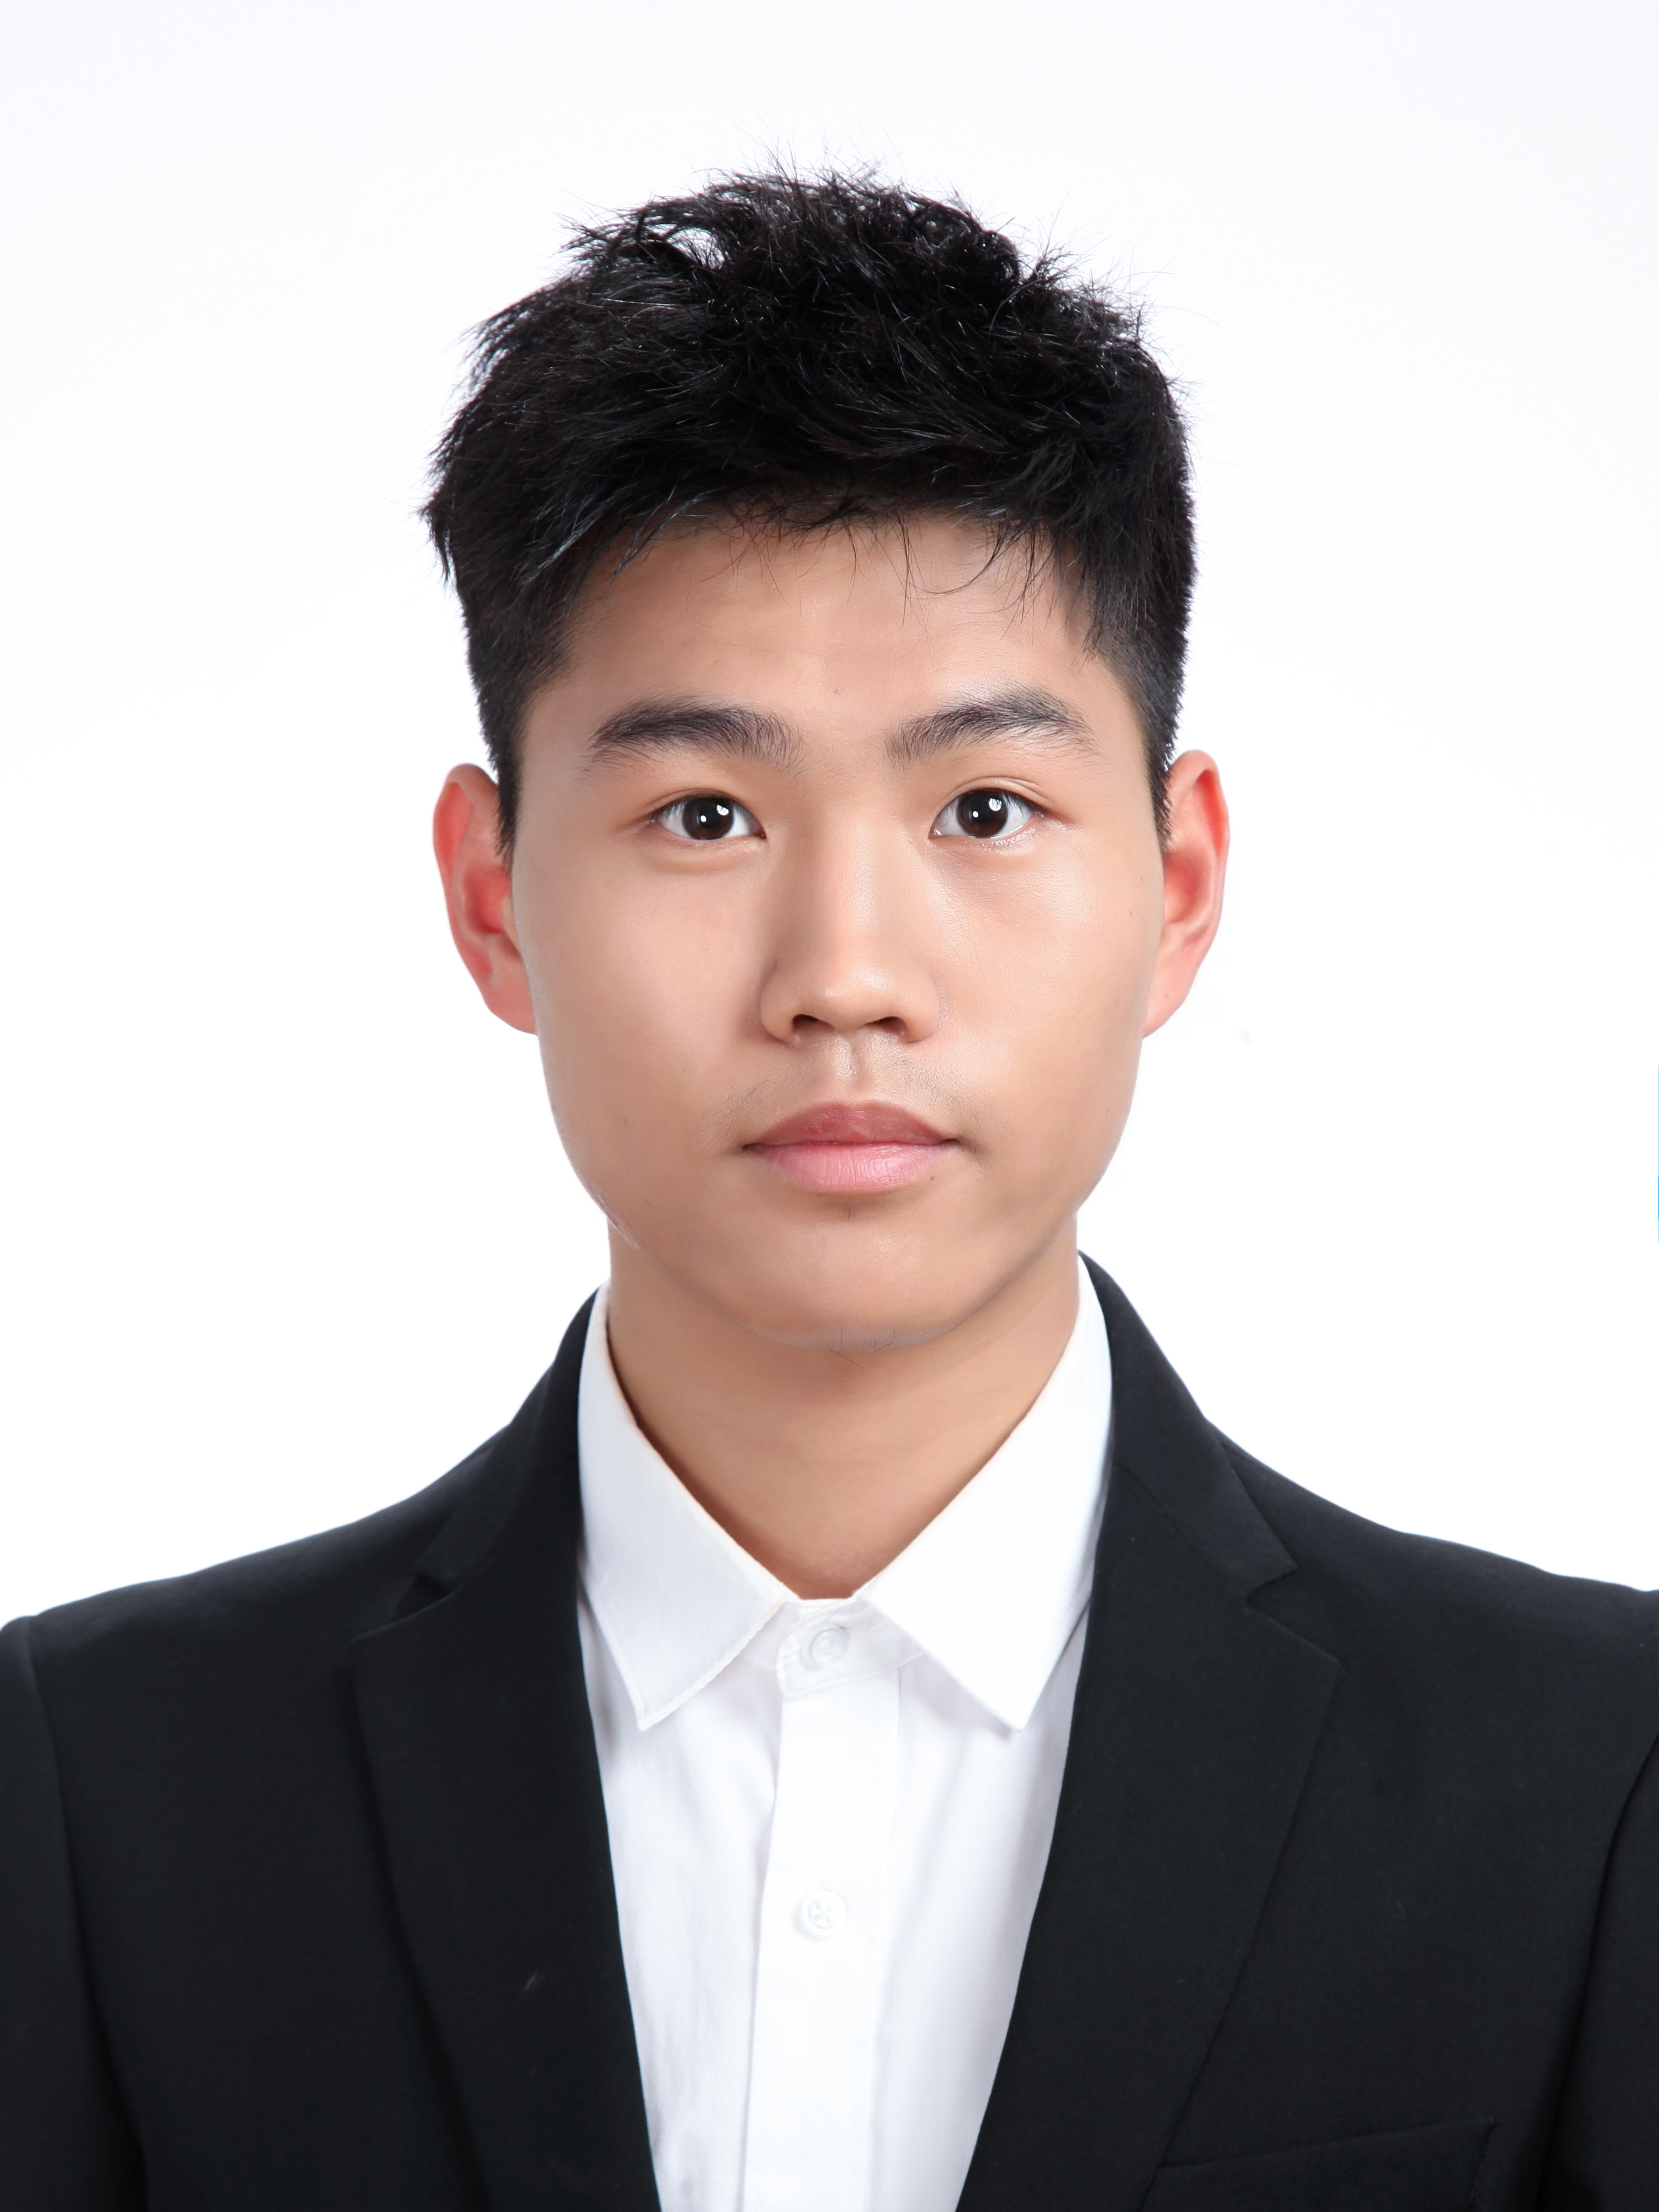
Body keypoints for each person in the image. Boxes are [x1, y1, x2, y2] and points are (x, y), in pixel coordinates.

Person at [2, 171, 1655, 2212]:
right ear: (494, 900)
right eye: (706, 814)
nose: (845, 975)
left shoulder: (1595, 1780)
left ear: (1177, 887)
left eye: (986, 807)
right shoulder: (100, 1791)